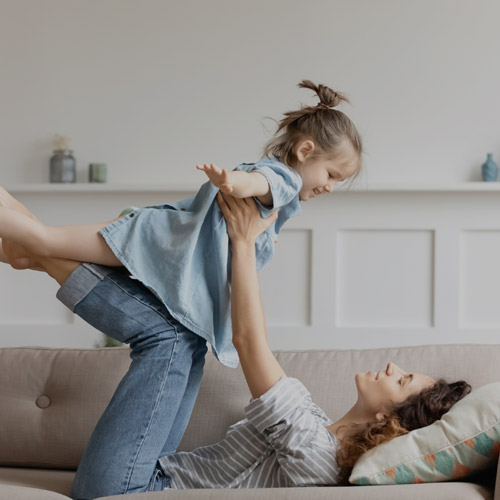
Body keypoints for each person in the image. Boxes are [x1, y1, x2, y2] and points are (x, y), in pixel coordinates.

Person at [1, 193, 471, 496]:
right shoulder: (316, 428)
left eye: (403, 378)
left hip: (126, 491)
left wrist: (243, 243)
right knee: (184, 338)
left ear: (387, 418)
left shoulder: (315, 455)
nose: (392, 365)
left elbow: (248, 341)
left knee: (164, 339)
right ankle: (35, 253)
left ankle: (38, 251)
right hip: (145, 476)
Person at [0, 79, 362, 371]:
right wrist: (231, 181)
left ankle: (20, 250)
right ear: (305, 151)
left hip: (157, 235)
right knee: (44, 240)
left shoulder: (278, 190)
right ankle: (25, 249)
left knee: (41, 244)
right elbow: (254, 184)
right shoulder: (284, 181)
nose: (330, 186)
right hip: (154, 240)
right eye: (331, 174)